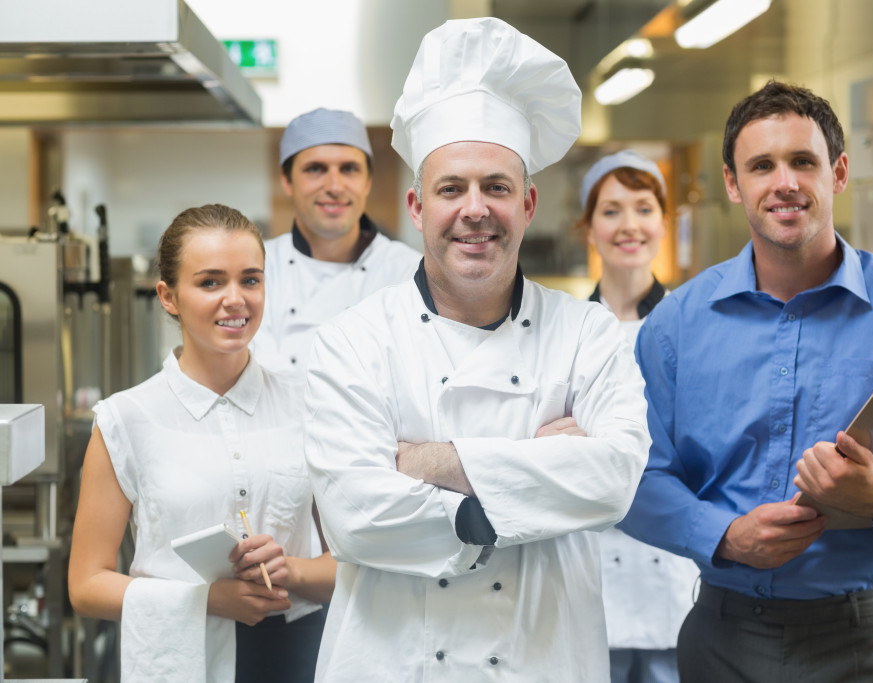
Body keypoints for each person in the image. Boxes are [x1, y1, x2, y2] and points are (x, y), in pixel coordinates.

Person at [618, 80, 873, 682]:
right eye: (761, 165)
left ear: (839, 172)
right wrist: (724, 535)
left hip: (865, 645)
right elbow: (633, 475)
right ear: (733, 183)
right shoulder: (675, 325)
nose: (785, 183)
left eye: (804, 161)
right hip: (722, 639)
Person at [304, 18, 651, 682]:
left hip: (544, 660)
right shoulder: (351, 342)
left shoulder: (588, 333)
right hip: (391, 663)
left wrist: (432, 462)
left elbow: (613, 481)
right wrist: (541, 471)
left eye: (495, 187)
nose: (475, 209)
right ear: (415, 204)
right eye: (451, 188)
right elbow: (355, 516)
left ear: (526, 203)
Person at [68, 204, 336, 683]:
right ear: (169, 297)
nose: (236, 299)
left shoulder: (308, 407)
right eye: (211, 282)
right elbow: (86, 586)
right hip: (177, 658)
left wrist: (291, 571)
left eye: (250, 280)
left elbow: (351, 565)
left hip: (298, 656)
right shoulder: (126, 419)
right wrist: (207, 600)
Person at [577, 150, 700, 683]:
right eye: (611, 211)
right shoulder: (566, 331)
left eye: (644, 208)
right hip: (591, 565)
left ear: (664, 223)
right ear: (588, 228)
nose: (629, 225)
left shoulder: (696, 325)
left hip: (669, 564)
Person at [252, 107, 420, 378]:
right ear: (287, 181)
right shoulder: (256, 271)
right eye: (315, 169)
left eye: (349, 169)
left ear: (367, 182)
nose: (334, 186)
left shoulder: (408, 274)